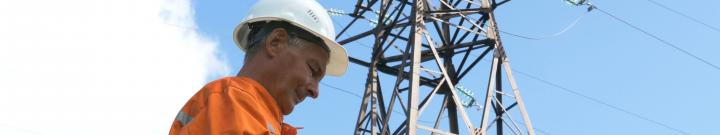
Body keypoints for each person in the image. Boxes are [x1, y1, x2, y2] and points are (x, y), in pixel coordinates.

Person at [168, 0, 348, 134]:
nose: (315, 92)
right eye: (313, 70)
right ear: (276, 42)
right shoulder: (233, 101)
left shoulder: (255, 115)